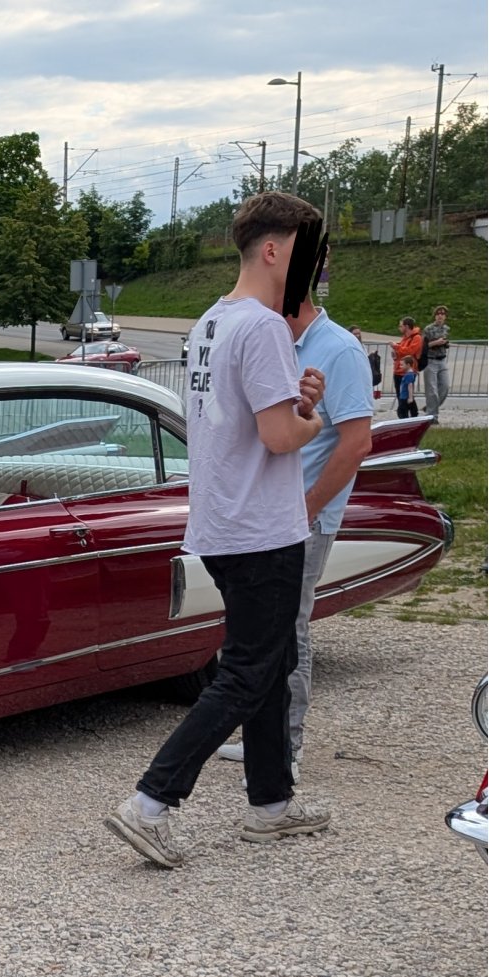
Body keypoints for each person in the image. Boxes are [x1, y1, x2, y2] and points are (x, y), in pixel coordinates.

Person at [104, 191, 330, 869]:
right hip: (263, 527)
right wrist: (312, 421)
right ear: (272, 250)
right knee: (249, 669)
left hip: (226, 520)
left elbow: (247, 416)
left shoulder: (211, 322)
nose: (310, 269)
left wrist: (298, 403)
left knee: (269, 662)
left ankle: (271, 803)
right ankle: (150, 801)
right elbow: (279, 434)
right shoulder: (262, 327)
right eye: (303, 254)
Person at [216, 297, 374, 780]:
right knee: (262, 629)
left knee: (289, 629)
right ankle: (264, 743)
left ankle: (286, 746)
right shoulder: (277, 344)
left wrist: (307, 509)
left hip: (303, 519)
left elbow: (356, 444)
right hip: (268, 518)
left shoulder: (339, 351)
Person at [421, 305, 451, 422]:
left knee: (445, 387)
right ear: (435, 315)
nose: (440, 316)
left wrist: (445, 343)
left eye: (442, 314)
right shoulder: (428, 329)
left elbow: (446, 342)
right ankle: (432, 417)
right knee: (432, 389)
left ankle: (430, 407)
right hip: (431, 360)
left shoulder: (446, 328)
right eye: (438, 313)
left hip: (442, 360)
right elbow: (423, 346)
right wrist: (436, 343)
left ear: (445, 317)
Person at [390, 316, 421, 415]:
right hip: (399, 370)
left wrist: (396, 346)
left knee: (406, 395)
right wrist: (395, 355)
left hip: (407, 371)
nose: (399, 328)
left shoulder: (416, 338)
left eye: (401, 326)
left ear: (406, 326)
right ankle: (406, 415)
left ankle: (411, 414)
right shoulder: (405, 338)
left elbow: (410, 351)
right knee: (401, 396)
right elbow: (402, 353)